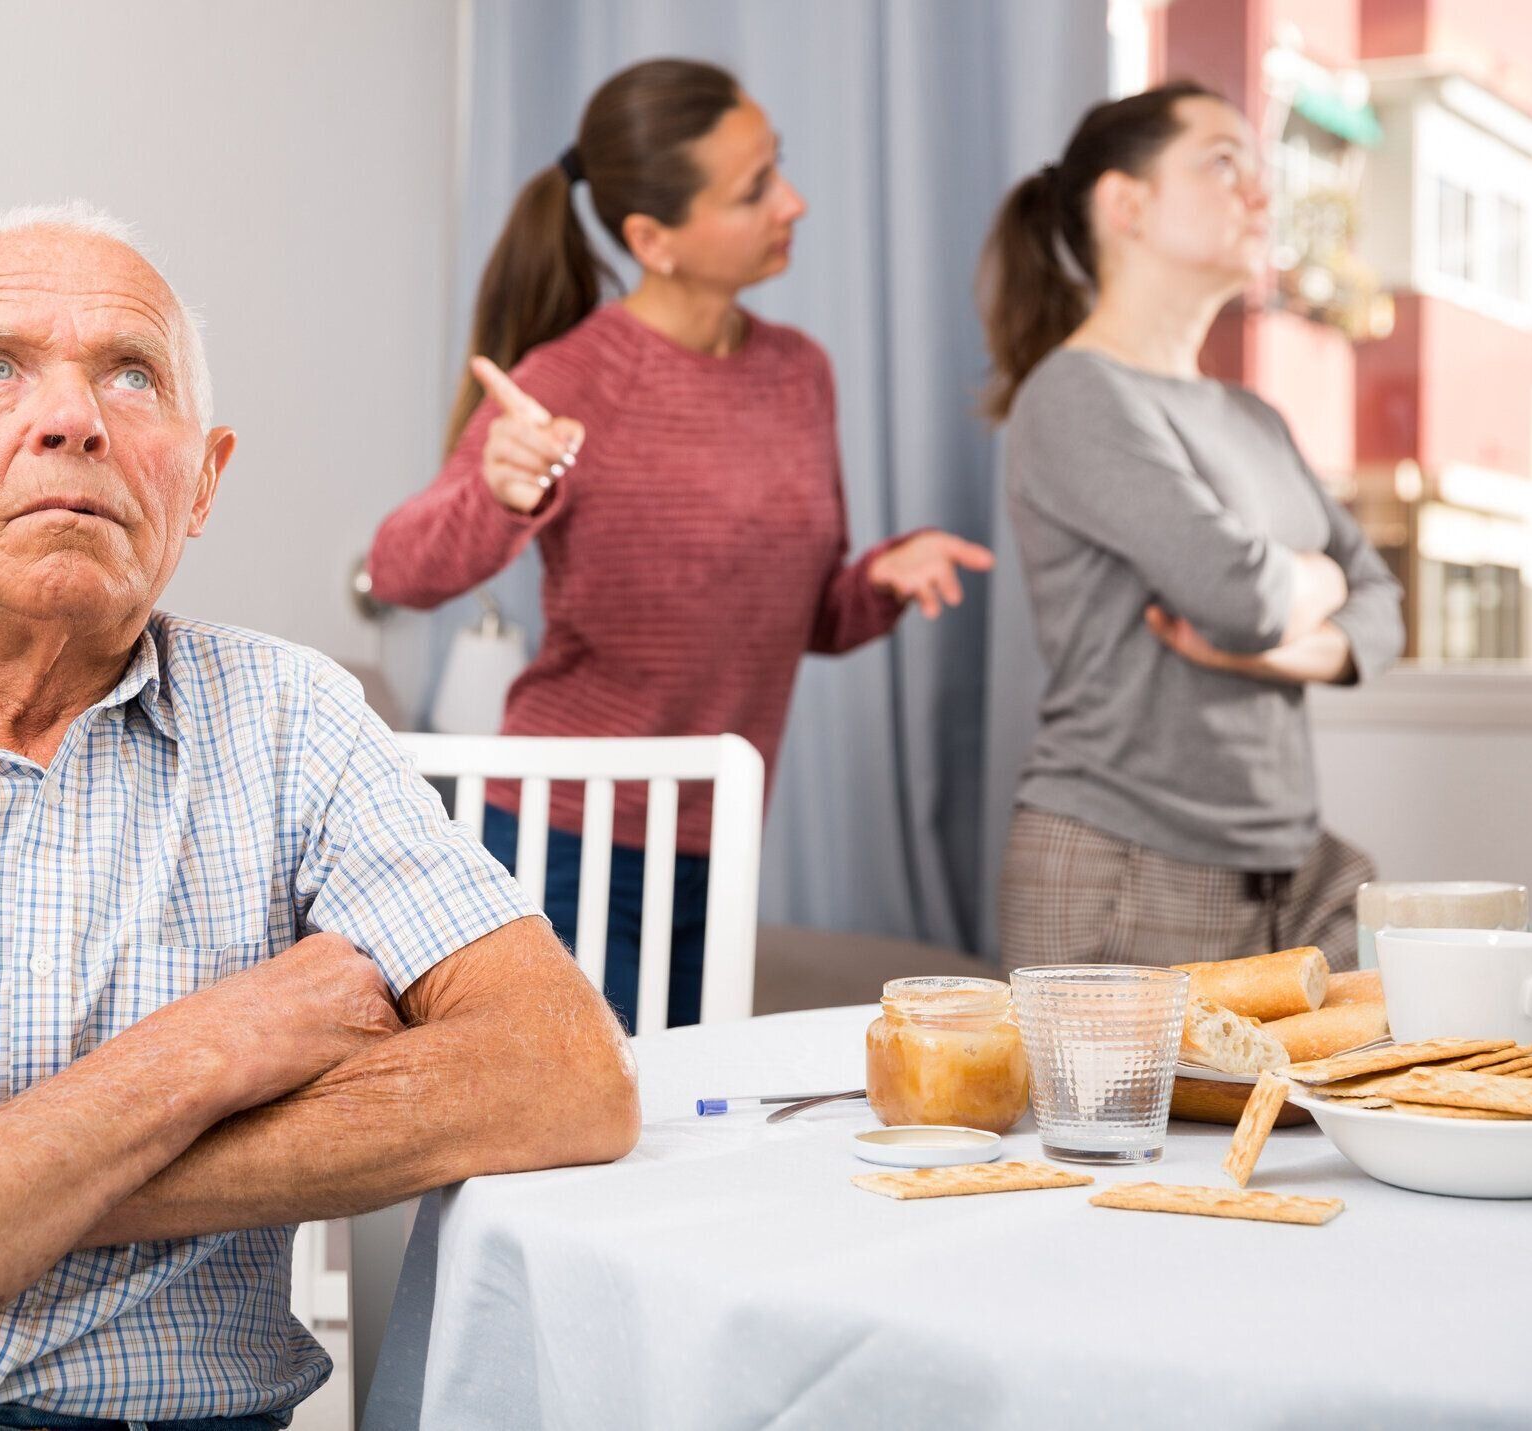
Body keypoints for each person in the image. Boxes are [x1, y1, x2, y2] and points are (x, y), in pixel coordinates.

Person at [0, 203, 639, 1431]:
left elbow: (561, 1075)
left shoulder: (295, 719)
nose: (73, 420)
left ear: (201, 484)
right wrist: (202, 1055)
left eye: (132, 376)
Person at [367, 59, 993, 1031]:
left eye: (776, 166)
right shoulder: (570, 378)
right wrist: (498, 490)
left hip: (718, 834)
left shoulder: (797, 374)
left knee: (683, 1142)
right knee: (587, 1145)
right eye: (754, 191)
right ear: (652, 240)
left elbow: (796, 616)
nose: (794, 201)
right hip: (564, 837)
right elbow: (403, 569)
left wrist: (877, 580)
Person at [980, 83, 1405, 972]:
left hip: (1282, 870)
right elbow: (1238, 593)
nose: (1259, 193)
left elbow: (1384, 607)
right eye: (1221, 163)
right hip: (1122, 866)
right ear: (1124, 203)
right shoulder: (1077, 393)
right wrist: (1318, 578)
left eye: (1258, 170)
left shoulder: (1252, 417)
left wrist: (1274, 651)